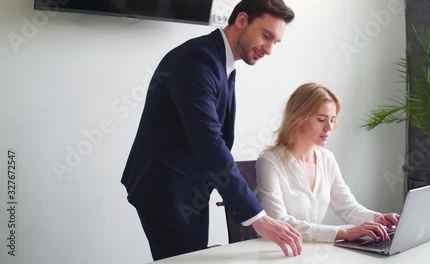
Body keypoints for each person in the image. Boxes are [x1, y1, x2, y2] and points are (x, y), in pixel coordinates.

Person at [121, 0, 302, 260]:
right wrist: (257, 217)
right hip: (167, 191)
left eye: (276, 42)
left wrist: (225, 189)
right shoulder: (198, 60)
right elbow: (209, 142)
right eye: (266, 36)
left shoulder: (220, 61)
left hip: (189, 189)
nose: (270, 49)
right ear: (242, 20)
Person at [256, 83, 400, 243]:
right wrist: (342, 232)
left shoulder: (326, 158)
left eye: (332, 120)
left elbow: (348, 207)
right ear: (298, 118)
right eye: (321, 119)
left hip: (311, 251)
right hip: (276, 251)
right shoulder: (270, 162)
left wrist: (378, 219)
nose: (329, 127)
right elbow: (279, 221)